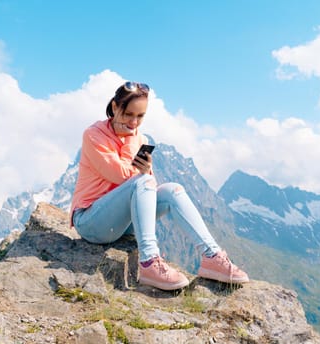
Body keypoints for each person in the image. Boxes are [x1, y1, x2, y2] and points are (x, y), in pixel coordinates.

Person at [70, 81, 249, 291]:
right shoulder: (93, 135)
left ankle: (212, 256)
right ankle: (148, 263)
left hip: (120, 224)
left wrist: (145, 169)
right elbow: (119, 176)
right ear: (115, 107)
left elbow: (148, 188)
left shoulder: (139, 137)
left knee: (173, 189)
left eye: (140, 116)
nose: (135, 122)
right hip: (91, 222)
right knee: (142, 179)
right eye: (129, 114)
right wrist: (130, 142)